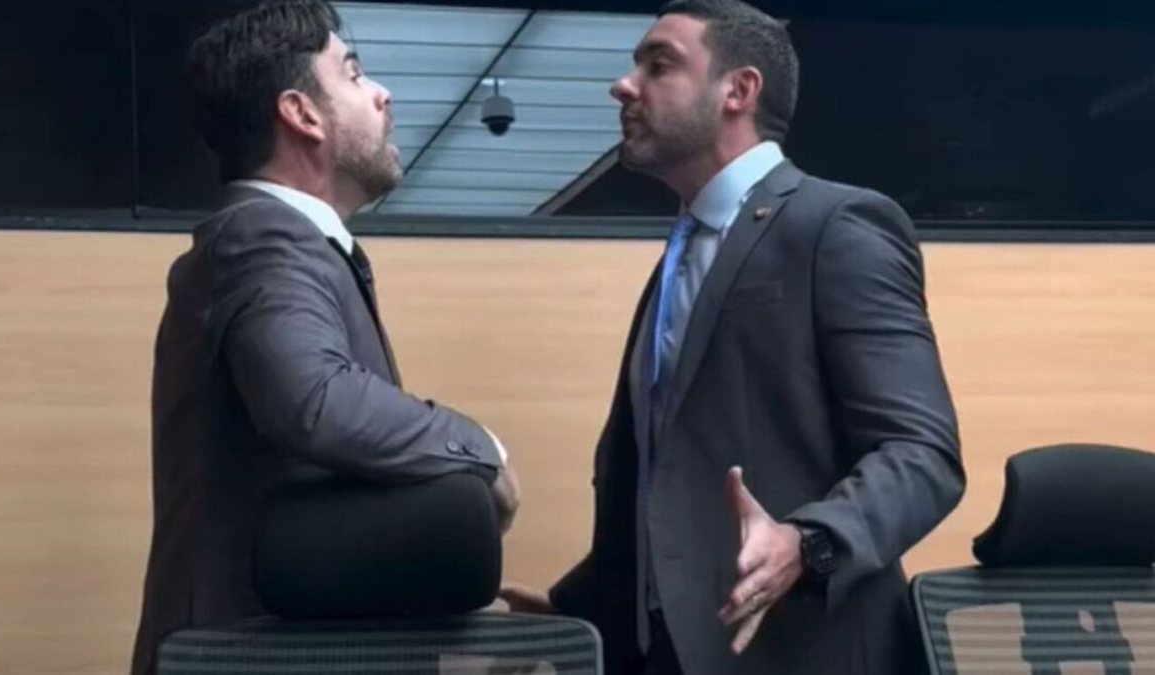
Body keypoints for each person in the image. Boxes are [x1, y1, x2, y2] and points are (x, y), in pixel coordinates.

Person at [500, 1, 965, 673]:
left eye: (659, 65)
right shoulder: (680, 256)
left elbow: (923, 455)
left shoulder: (837, 226)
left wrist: (808, 542)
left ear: (739, 90)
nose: (624, 85)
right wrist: (579, 603)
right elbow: (668, 471)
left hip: (804, 651)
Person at [129, 2, 519, 673]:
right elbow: (314, 399)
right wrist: (482, 450)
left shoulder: (283, 240)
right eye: (355, 74)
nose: (383, 94)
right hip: (247, 659)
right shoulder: (263, 235)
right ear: (302, 114)